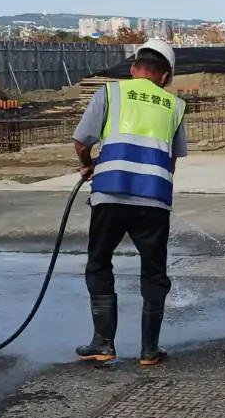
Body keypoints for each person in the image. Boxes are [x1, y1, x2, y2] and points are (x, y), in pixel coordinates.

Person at [71, 39, 187, 367]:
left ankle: (103, 343)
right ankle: (149, 350)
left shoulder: (111, 93)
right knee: (153, 273)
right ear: (165, 77)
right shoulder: (175, 106)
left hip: (110, 193)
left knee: (99, 263)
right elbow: (172, 159)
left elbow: (82, 139)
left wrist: (88, 163)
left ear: (134, 69)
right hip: (154, 199)